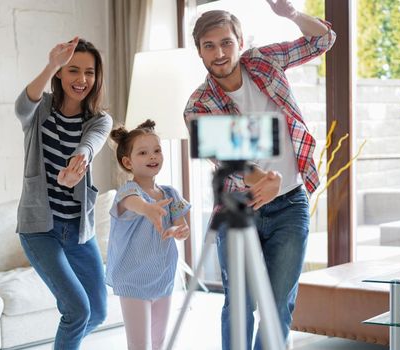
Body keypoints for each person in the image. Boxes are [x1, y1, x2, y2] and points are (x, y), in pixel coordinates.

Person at [184, 1, 336, 349]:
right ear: (200, 52)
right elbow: (224, 157)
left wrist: (293, 16)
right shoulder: (198, 105)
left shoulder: (264, 62)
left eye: (226, 42)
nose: (219, 53)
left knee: (277, 305)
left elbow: (322, 40)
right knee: (239, 306)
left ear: (240, 42)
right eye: (209, 46)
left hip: (290, 205)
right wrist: (263, 178)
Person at [14, 37, 112, 350]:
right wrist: (51, 63)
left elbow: (92, 142)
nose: (82, 80)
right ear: (60, 74)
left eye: (90, 72)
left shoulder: (99, 119)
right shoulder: (39, 111)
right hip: (41, 230)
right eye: (73, 70)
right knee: (77, 310)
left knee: (96, 312)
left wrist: (79, 159)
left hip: (79, 230)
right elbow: (21, 106)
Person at [105, 119, 191, 350]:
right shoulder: (128, 192)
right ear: (128, 162)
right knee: (139, 344)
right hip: (133, 279)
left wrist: (177, 231)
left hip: (162, 277)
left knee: (159, 341)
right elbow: (134, 204)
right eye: (143, 153)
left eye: (157, 151)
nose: (152, 156)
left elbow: (181, 228)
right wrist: (148, 208)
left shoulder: (170, 193)